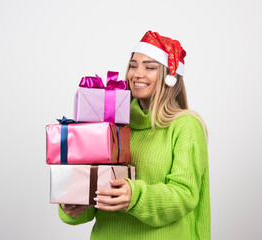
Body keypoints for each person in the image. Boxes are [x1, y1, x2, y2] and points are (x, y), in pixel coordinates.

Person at [59, 30, 210, 240]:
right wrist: (74, 202)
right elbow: (95, 188)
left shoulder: (185, 126)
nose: (137, 74)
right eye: (133, 65)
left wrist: (135, 196)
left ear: (169, 77)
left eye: (149, 67)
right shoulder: (111, 125)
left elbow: (185, 195)